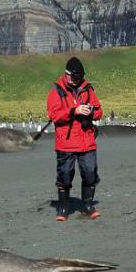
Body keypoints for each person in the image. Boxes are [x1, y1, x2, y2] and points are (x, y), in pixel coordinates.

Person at [47, 56, 103, 220]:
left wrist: (91, 111)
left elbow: (100, 111)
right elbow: (54, 115)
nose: (77, 81)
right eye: (75, 77)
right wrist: (74, 111)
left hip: (87, 140)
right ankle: (64, 207)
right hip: (66, 141)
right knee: (64, 175)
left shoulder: (87, 89)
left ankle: (87, 205)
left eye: (80, 78)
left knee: (90, 173)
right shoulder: (57, 90)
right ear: (67, 74)